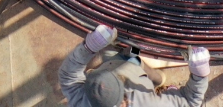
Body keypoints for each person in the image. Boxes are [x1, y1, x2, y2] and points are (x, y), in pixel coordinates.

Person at [58, 24, 210, 107]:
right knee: (137, 56)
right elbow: (190, 102)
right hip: (134, 66)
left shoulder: (82, 102)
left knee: (116, 51)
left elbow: (67, 76)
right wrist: (200, 74)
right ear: (124, 101)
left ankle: (129, 52)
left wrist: (89, 47)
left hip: (111, 62)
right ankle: (160, 81)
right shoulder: (149, 104)